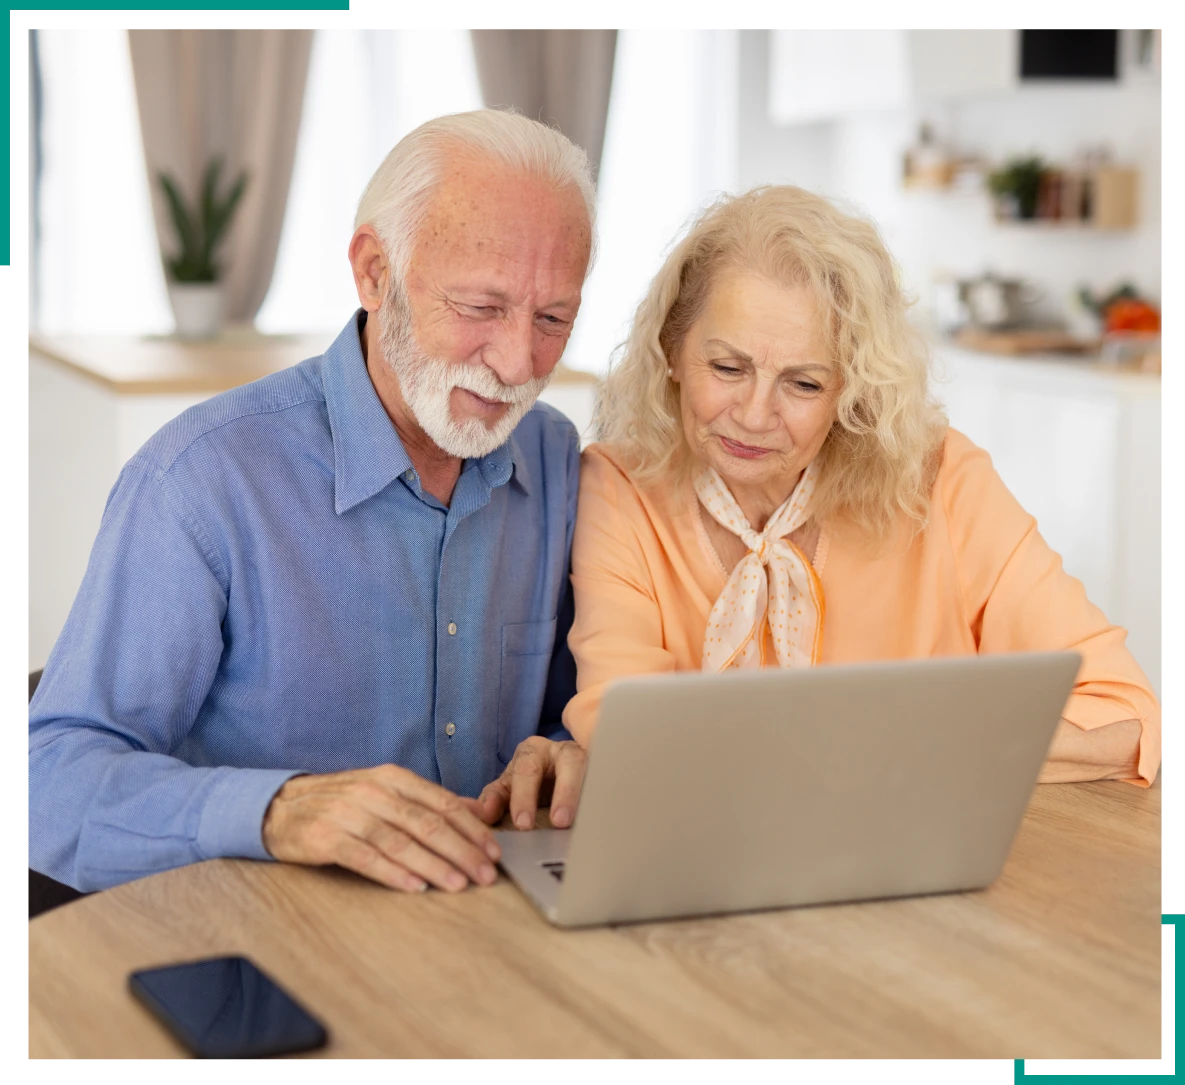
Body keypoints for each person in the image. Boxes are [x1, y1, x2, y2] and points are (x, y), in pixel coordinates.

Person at [27, 109, 593, 897]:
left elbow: (582, 707)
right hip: (266, 954)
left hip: (496, 941)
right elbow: (46, 785)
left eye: (552, 318)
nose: (516, 361)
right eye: (480, 308)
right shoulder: (201, 481)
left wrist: (569, 747)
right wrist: (276, 810)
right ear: (373, 272)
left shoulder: (557, 460)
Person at [560, 186, 1160, 787]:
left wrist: (885, 750)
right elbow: (627, 732)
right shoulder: (620, 487)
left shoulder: (943, 480)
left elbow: (1123, 718)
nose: (754, 413)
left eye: (804, 384)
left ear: (853, 391)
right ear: (671, 349)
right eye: (727, 368)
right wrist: (907, 745)